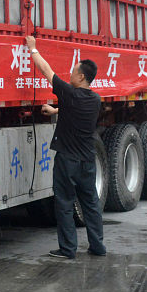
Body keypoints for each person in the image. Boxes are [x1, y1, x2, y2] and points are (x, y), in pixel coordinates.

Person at [26, 35, 106, 260]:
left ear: (81, 76)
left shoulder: (69, 93)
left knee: (64, 203)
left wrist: (33, 49)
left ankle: (68, 249)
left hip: (68, 160)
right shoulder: (95, 99)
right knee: (90, 204)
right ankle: (98, 246)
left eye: (73, 71)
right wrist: (55, 111)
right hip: (87, 161)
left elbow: (46, 70)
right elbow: (74, 109)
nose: (70, 74)